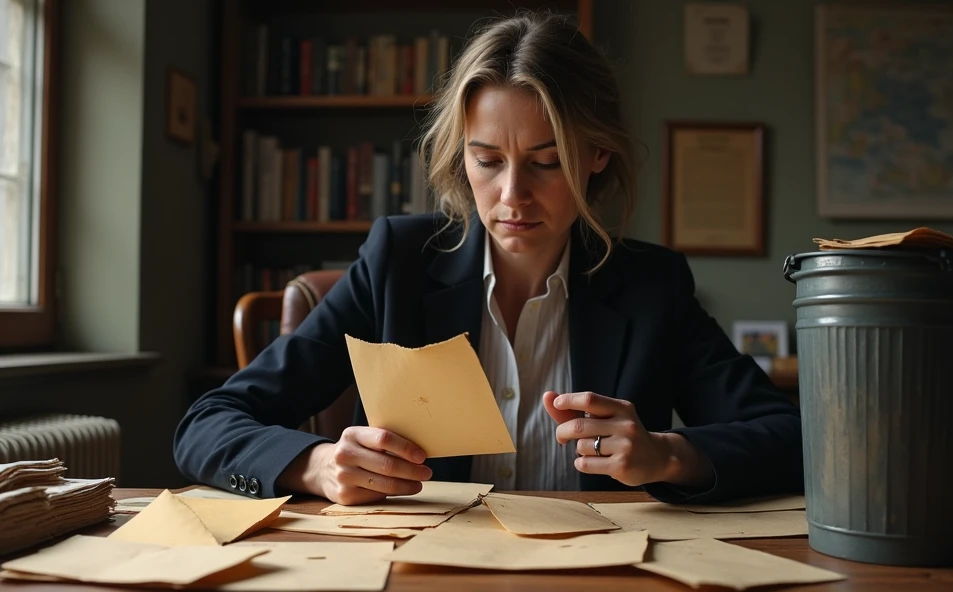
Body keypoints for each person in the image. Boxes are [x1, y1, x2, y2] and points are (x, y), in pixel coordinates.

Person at [173, 11, 803, 506]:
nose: (511, 196)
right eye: (487, 160)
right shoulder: (397, 263)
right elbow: (208, 424)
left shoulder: (651, 285)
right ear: (462, 156)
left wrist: (668, 455)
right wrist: (314, 465)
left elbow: (790, 438)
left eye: (547, 161)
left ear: (598, 154)